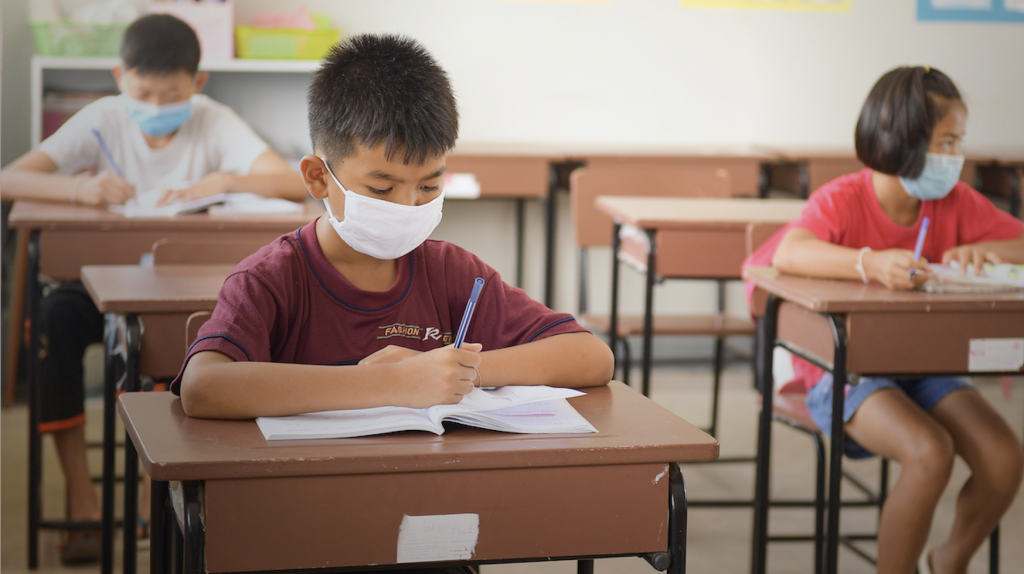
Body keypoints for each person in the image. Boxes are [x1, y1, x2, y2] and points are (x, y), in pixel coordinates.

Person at [173, 33, 612, 427]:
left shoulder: (450, 272)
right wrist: (394, 383)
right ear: (318, 178)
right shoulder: (272, 279)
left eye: (429, 186)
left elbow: (592, 358)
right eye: (382, 188)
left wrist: (461, 371)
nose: (408, 207)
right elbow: (204, 387)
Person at [0, 14, 305, 565]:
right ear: (119, 77)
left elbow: (290, 182)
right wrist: (78, 188)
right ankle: (81, 497)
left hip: (175, 290)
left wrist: (223, 180)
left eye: (173, 94)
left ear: (199, 84)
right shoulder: (100, 120)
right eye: (144, 92)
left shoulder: (214, 121)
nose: (159, 106)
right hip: (92, 290)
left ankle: (153, 495)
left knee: (193, 337)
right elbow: (10, 178)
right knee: (52, 321)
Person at [744, 66, 1024, 574]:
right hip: (846, 372)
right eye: (946, 142)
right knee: (929, 452)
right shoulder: (844, 199)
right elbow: (791, 251)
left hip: (924, 366)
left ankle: (950, 560)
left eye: (959, 141)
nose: (955, 157)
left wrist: (990, 252)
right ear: (904, 141)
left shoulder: (954, 200)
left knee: (1004, 456)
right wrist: (869, 262)